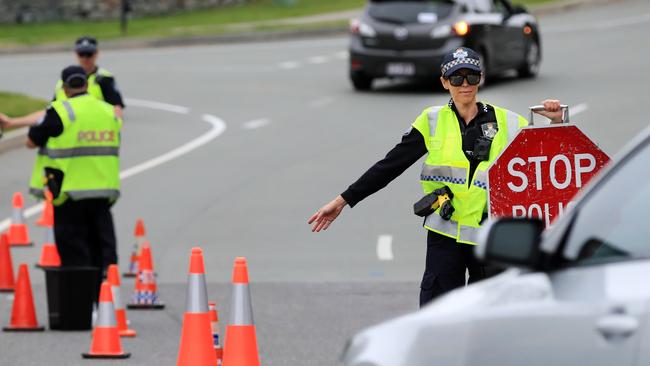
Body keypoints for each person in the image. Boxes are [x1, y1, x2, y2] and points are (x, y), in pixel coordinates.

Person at [308, 47, 564, 307]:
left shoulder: (509, 122)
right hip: (446, 234)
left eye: (472, 77)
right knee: (438, 312)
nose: (465, 85)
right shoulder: (431, 121)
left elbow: (549, 163)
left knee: (490, 315)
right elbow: (390, 166)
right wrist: (344, 200)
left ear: (481, 78)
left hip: (490, 236)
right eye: (456, 78)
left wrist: (557, 121)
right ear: (445, 82)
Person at [0, 66, 122, 286]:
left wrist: (14, 123)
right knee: (103, 253)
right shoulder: (108, 112)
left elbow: (31, 141)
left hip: (69, 195)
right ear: (87, 84)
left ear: (64, 88)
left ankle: (80, 310)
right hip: (103, 193)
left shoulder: (60, 112)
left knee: (75, 256)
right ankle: (106, 309)